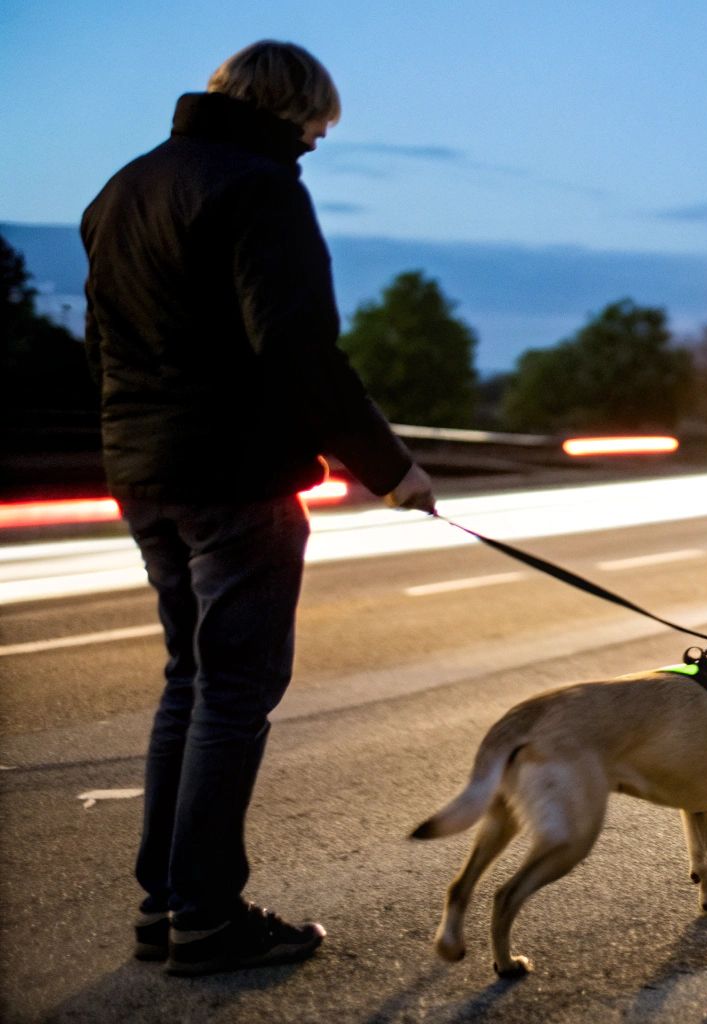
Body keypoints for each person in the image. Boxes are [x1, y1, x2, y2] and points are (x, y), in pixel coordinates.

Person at [81, 40, 436, 976]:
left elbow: (104, 347)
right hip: (236, 481)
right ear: (293, 107)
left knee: (189, 685)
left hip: (144, 470)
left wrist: (133, 452)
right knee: (232, 694)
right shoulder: (262, 188)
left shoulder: (121, 191)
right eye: (320, 123)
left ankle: (166, 906)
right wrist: (389, 467)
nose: (320, 141)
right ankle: (206, 915)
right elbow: (298, 350)